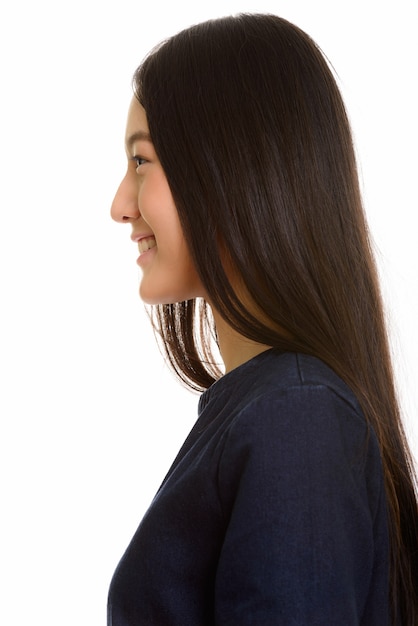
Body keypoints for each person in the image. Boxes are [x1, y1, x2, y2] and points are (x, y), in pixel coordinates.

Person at [108, 13, 418, 625]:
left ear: (230, 170)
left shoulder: (294, 416)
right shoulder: (271, 408)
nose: (120, 205)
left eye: (141, 162)